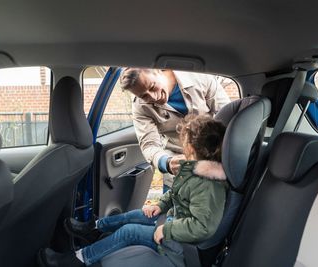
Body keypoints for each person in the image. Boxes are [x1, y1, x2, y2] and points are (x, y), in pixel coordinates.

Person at [38, 115, 228, 267]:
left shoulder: (208, 184)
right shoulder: (194, 168)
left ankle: (78, 259)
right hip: (175, 225)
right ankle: (95, 228)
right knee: (134, 215)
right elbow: (177, 193)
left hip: (179, 246)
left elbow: (203, 227)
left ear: (193, 148)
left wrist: (167, 229)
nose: (181, 146)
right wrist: (161, 205)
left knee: (128, 232)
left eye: (184, 143)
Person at [119, 68, 230, 192]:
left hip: (214, 155)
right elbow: (149, 145)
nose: (153, 97)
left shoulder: (199, 78)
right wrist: (166, 162)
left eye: (152, 86)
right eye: (144, 96)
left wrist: (220, 153)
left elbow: (228, 117)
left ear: (158, 71)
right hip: (176, 162)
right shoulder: (140, 107)